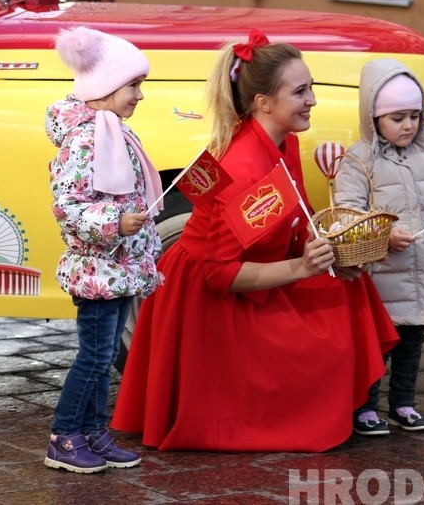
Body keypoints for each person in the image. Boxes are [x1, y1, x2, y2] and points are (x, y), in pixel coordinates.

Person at [110, 29, 398, 452]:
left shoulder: (283, 142)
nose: (313, 100)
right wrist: (303, 267)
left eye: (311, 88)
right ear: (264, 102)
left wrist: (326, 252)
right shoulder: (246, 169)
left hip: (249, 274)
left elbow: (292, 219)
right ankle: (323, 408)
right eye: (301, 91)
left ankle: (347, 403)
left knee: (350, 289)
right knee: (327, 329)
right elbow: (219, 275)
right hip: (209, 304)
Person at [43, 26, 163, 473]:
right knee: (94, 355)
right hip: (97, 268)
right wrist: (115, 222)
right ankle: (65, 436)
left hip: (118, 267)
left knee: (105, 354)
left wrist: (130, 224)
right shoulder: (87, 139)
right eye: (134, 85)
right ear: (106, 87)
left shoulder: (113, 131)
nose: (139, 95)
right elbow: (69, 204)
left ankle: (94, 432)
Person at [334, 58, 424, 436]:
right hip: (381, 274)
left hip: (421, 268)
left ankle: (403, 403)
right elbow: (347, 215)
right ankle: (366, 407)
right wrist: (383, 236)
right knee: (377, 343)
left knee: (412, 342)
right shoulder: (359, 160)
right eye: (397, 117)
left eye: (414, 116)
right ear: (374, 117)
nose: (408, 126)